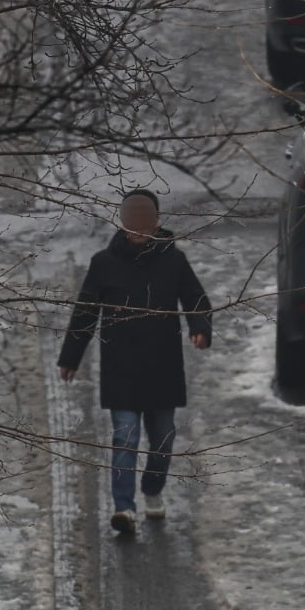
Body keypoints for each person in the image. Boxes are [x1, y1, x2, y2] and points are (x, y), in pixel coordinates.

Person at [58, 188, 212, 536]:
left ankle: (153, 491)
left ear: (157, 223)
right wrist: (71, 357)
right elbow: (85, 313)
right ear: (124, 224)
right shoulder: (103, 264)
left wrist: (199, 328)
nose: (139, 230)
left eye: (146, 223)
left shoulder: (174, 261)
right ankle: (123, 508)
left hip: (163, 368)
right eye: (133, 223)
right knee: (125, 438)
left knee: (163, 440)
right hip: (121, 369)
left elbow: (196, 300)